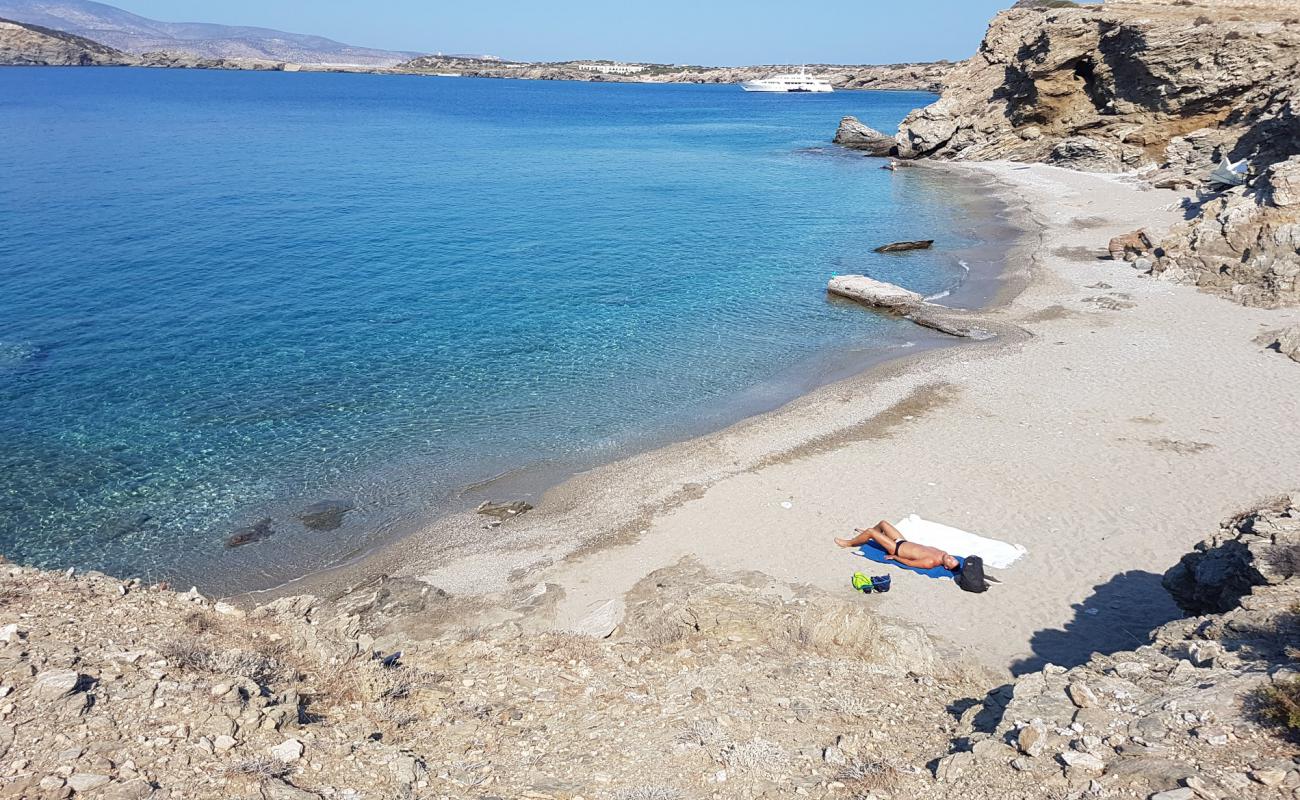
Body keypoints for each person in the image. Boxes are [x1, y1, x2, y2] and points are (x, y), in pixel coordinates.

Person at [835, 519, 961, 572]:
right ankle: (869, 535)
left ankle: (849, 543)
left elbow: (910, 563)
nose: (951, 558)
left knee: (870, 531)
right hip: (902, 541)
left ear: (945, 567)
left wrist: (895, 558)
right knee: (883, 523)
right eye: (953, 559)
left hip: (895, 549)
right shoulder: (943, 553)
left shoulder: (930, 562)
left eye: (950, 562)